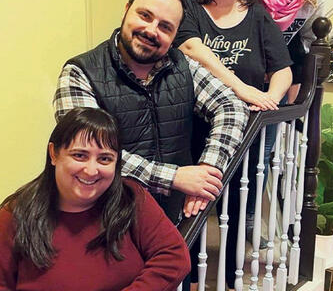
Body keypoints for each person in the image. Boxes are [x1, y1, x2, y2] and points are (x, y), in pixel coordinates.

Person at [53, 0, 249, 225]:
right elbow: (86, 155)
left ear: (176, 34)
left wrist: (206, 172)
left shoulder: (184, 66)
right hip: (104, 224)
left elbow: (232, 107)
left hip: (174, 223)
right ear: (126, 10)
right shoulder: (80, 73)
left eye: (165, 27)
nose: (151, 30)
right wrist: (175, 178)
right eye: (145, 15)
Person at [172, 0, 292, 289]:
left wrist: (268, 101)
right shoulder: (186, 4)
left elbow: (283, 68)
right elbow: (192, 48)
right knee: (189, 208)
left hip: (248, 133)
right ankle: (189, 280)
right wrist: (241, 88)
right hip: (191, 128)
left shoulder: (256, 12)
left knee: (240, 208)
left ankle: (228, 278)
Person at [0, 107, 191, 290]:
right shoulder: (14, 214)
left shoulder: (132, 199)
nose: (91, 171)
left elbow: (173, 257)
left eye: (105, 159)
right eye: (80, 155)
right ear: (54, 154)